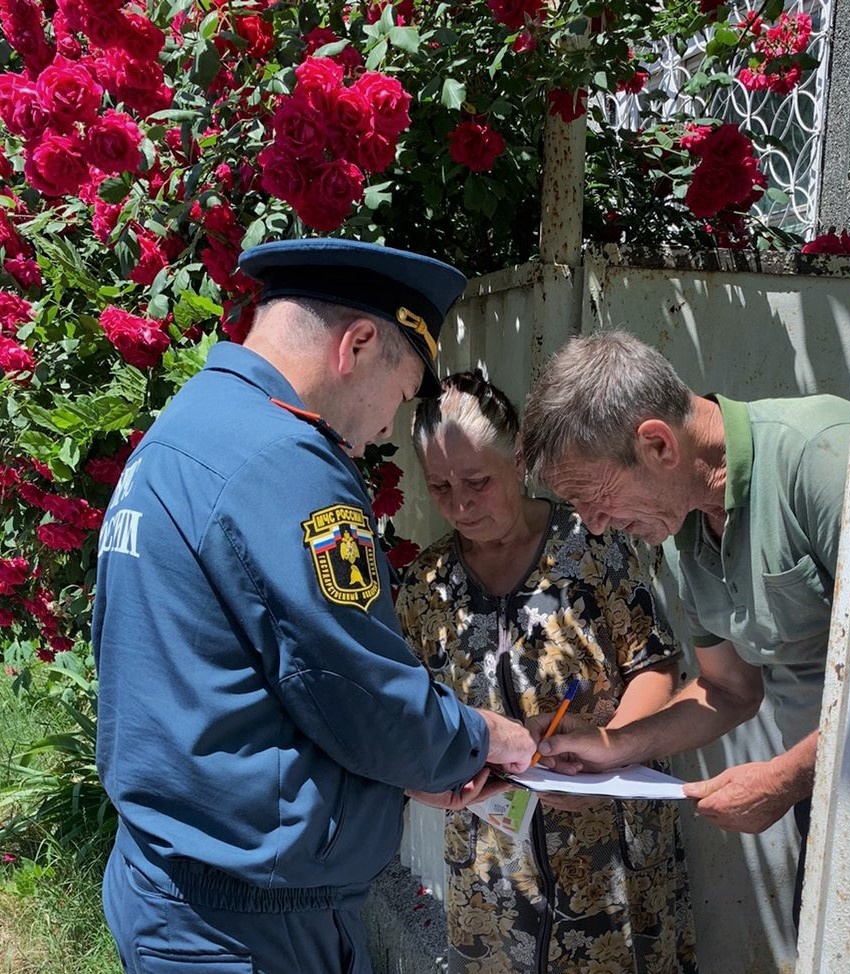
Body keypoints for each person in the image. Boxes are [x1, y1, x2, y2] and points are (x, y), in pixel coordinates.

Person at [92, 239, 536, 974]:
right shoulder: (285, 462)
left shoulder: (189, 425)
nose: (387, 429)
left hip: (179, 888)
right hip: (249, 926)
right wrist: (477, 737)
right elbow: (359, 691)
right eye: (400, 393)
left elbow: (243, 674)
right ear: (355, 345)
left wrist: (405, 767)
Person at [520, 330, 850, 927]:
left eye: (595, 497)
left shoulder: (822, 457)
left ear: (658, 444)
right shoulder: (685, 525)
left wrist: (783, 777)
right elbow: (728, 688)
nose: (595, 526)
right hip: (829, 796)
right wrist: (610, 749)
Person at [396, 370, 698, 974]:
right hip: (492, 874)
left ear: (517, 461)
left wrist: (607, 752)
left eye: (478, 482)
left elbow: (657, 667)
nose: (461, 505)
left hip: (611, 852)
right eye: (440, 487)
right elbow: (406, 713)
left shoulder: (592, 545)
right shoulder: (427, 586)